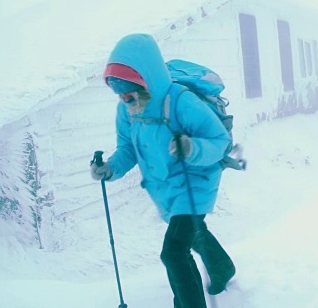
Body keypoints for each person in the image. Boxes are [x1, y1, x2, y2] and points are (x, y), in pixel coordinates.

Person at [90, 33, 236, 308]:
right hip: (164, 189)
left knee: (173, 252)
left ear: (145, 80)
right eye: (116, 88)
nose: (123, 96)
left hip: (196, 183)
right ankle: (223, 268)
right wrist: (109, 168)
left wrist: (191, 147)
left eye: (127, 87)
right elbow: (128, 149)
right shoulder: (126, 110)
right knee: (193, 233)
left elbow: (220, 142)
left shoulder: (181, 101)